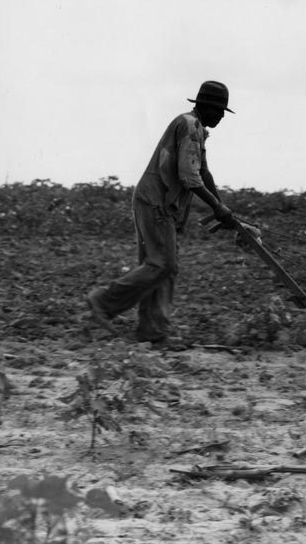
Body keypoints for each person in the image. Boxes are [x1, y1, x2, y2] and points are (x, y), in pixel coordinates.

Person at [86, 80, 239, 347]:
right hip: (155, 201)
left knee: (162, 266)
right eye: (220, 111)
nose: (222, 117)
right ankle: (102, 301)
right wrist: (218, 208)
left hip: (159, 202)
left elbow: (204, 173)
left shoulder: (197, 130)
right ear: (206, 107)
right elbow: (190, 177)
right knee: (163, 264)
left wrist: (222, 207)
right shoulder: (190, 126)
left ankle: (152, 331)